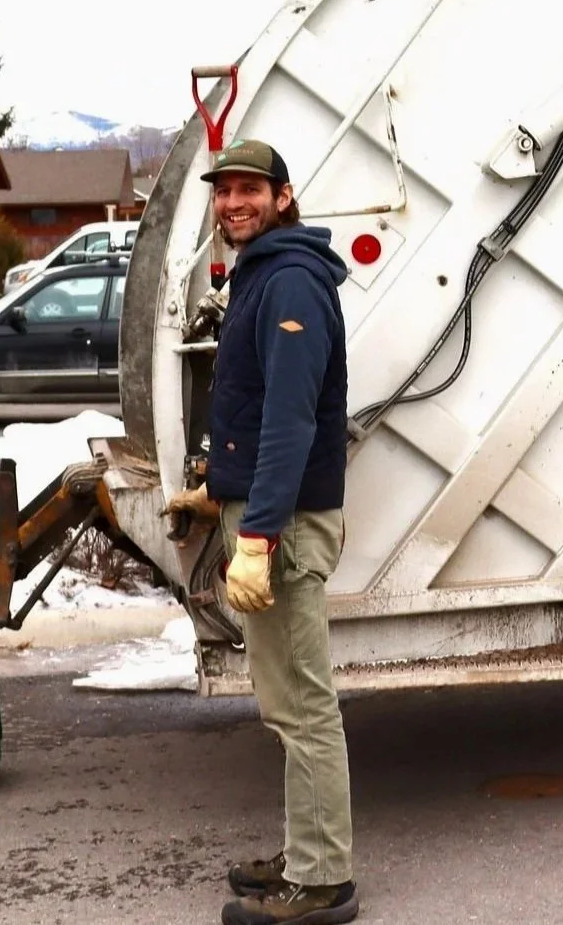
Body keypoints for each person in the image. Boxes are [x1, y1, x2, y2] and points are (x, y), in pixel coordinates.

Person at [194, 139, 358, 924]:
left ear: (283, 196)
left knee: (302, 704)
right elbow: (253, 408)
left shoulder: (289, 278)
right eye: (224, 190)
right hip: (265, 512)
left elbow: (289, 422)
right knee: (285, 701)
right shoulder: (264, 272)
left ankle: (322, 881)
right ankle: (304, 852)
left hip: (282, 525)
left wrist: (255, 533)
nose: (234, 202)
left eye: (250, 189)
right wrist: (217, 483)